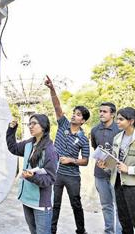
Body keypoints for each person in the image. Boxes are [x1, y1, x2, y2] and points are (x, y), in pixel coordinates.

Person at [98, 107, 135, 234]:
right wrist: (106, 165)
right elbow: (116, 162)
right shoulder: (117, 138)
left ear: (131, 121)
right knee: (124, 221)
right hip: (118, 184)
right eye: (117, 119)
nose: (117, 122)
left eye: (121, 119)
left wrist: (129, 169)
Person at [45, 75, 90, 234]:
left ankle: (81, 230)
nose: (73, 115)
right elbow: (57, 107)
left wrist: (71, 160)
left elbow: (85, 161)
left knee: (76, 204)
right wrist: (52, 89)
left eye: (78, 115)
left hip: (72, 176)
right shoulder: (63, 123)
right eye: (74, 113)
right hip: (55, 173)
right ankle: (51, 230)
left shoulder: (83, 139)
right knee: (54, 204)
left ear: (83, 121)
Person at [6, 114, 58, 234]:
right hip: (27, 199)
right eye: (30, 123)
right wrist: (11, 129)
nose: (30, 126)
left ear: (44, 127)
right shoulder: (29, 143)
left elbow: (50, 179)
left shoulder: (50, 150)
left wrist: (32, 177)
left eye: (34, 123)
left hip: (40, 203)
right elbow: (13, 148)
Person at [90, 102, 122, 234]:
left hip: (117, 175)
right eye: (100, 111)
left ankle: (119, 231)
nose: (101, 114)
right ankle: (109, 231)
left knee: (119, 206)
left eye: (105, 111)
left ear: (113, 114)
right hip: (100, 174)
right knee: (106, 205)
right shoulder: (94, 130)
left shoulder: (120, 130)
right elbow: (95, 147)